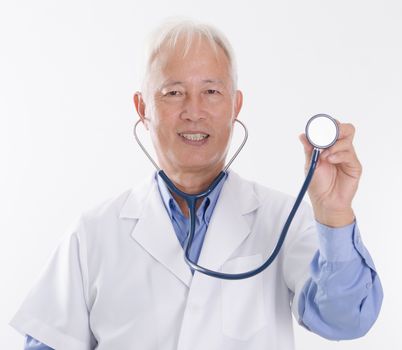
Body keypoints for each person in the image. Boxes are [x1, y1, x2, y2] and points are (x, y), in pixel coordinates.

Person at [10, 19, 383, 350]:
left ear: (235, 106)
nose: (193, 111)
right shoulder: (92, 234)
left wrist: (334, 213)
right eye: (173, 92)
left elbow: (345, 320)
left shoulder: (283, 220)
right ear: (143, 109)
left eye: (211, 91)